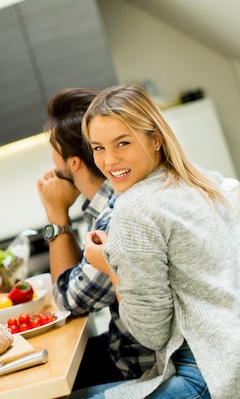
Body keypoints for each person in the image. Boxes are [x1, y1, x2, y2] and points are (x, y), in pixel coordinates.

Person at [73, 84, 240, 399]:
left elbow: (150, 335)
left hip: (210, 373)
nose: (109, 160)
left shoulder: (135, 209)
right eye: (98, 147)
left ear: (155, 138)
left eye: (122, 143)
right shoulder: (201, 181)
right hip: (238, 355)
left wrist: (109, 264)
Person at [36, 88, 154, 390]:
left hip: (141, 366)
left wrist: (56, 213)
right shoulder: (102, 208)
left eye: (53, 150)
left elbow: (69, 301)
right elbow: (79, 277)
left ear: (73, 163)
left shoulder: (115, 215)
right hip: (127, 350)